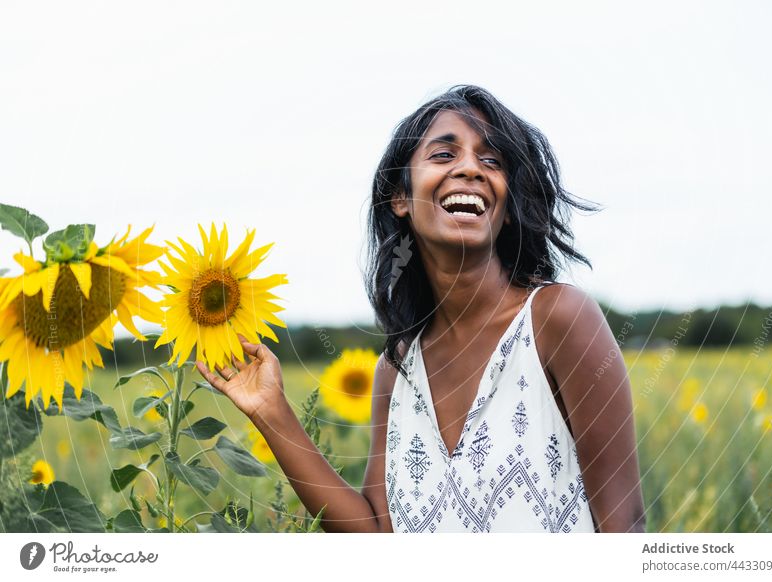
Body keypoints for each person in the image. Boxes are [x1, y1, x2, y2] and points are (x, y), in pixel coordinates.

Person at [196, 84, 646, 533]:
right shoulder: (397, 370)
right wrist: (271, 411)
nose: (471, 168)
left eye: (492, 161)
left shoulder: (557, 319)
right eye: (443, 155)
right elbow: (378, 539)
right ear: (401, 197)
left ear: (507, 208)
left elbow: (624, 527)